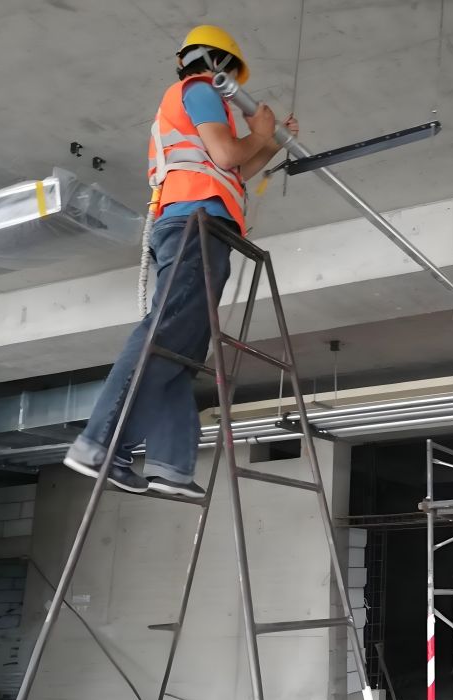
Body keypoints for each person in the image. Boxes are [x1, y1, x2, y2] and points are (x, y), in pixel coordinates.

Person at [64, 25, 299, 499]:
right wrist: (256, 133)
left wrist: (269, 142)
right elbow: (229, 152)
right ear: (220, 68)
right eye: (232, 74)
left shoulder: (200, 105)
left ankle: (170, 463)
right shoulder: (199, 91)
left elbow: (237, 166)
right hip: (194, 225)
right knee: (166, 332)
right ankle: (100, 443)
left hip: (204, 228)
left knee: (182, 350)